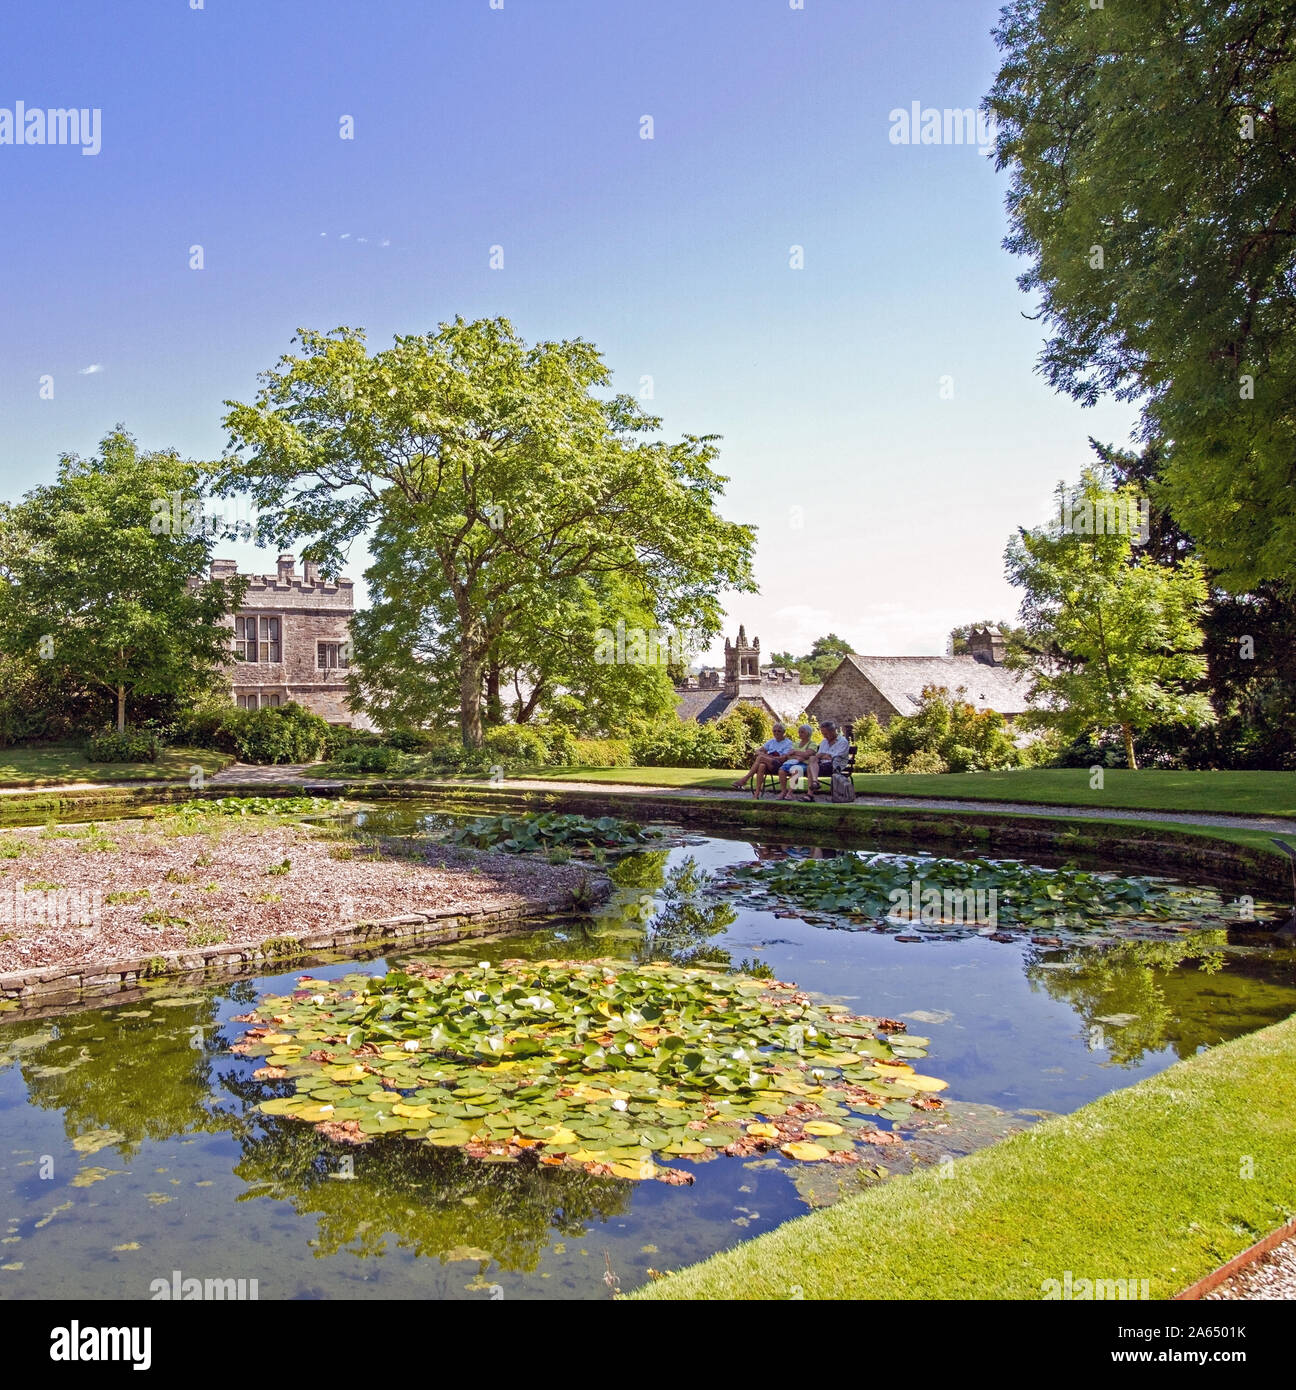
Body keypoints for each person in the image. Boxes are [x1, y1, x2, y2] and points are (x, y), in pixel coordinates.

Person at [730, 723, 793, 798]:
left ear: (783, 732)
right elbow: (757, 751)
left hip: (780, 765)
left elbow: (783, 758)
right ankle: (757, 793)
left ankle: (745, 779)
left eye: (779, 731)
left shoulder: (788, 743)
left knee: (760, 758)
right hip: (768, 764)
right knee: (761, 765)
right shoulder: (771, 741)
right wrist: (766, 756)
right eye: (774, 731)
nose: (776, 733)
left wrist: (767, 757)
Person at [807, 719, 850, 796]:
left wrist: (824, 755)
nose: (824, 736)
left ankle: (810, 794)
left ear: (833, 731)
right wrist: (824, 755)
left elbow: (833, 757)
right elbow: (818, 755)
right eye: (823, 734)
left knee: (810, 767)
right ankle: (815, 783)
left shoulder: (842, 742)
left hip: (835, 766)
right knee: (812, 759)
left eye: (826, 734)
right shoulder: (824, 741)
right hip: (823, 765)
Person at [776, 724, 818, 800]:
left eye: (802, 732)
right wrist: (798, 756)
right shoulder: (796, 743)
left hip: (805, 764)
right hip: (792, 762)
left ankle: (790, 793)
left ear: (808, 733)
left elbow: (807, 754)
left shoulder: (812, 744)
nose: (800, 734)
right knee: (781, 770)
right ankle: (783, 791)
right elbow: (788, 755)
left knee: (796, 770)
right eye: (799, 732)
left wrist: (795, 752)